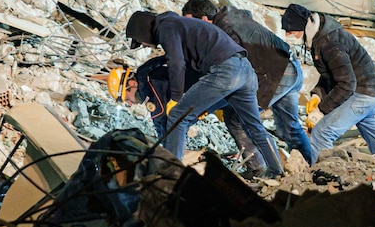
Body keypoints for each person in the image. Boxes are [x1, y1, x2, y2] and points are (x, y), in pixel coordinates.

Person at [125, 10, 284, 176]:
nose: (142, 45)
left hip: (225, 70)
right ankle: (277, 171)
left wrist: (176, 98)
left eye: (139, 41)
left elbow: (177, 64)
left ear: (141, 30)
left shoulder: (166, 27)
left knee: (177, 117)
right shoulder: (179, 24)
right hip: (246, 70)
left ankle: (170, 174)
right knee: (254, 127)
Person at [181, 0, 313, 164]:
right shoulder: (231, 17)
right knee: (290, 126)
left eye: (191, 23)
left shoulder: (224, 30)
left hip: (274, 75)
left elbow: (229, 73)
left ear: (205, 19)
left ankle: (263, 168)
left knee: (241, 119)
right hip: (289, 66)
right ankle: (311, 164)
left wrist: (205, 104)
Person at [280, 3, 375, 164]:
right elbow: (331, 74)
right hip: (372, 94)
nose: (291, 35)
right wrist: (317, 95)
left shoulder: (329, 42)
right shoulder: (322, 36)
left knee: (321, 132)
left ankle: (325, 175)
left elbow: (347, 84)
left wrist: (321, 110)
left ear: (303, 27)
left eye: (292, 31)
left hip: (362, 94)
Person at [107, 56, 269, 175]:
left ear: (131, 84)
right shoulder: (149, 74)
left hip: (216, 86)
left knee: (177, 123)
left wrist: (163, 155)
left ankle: (172, 171)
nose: (129, 103)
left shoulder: (147, 86)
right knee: (236, 122)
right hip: (231, 80)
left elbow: (163, 121)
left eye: (125, 98)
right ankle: (260, 166)